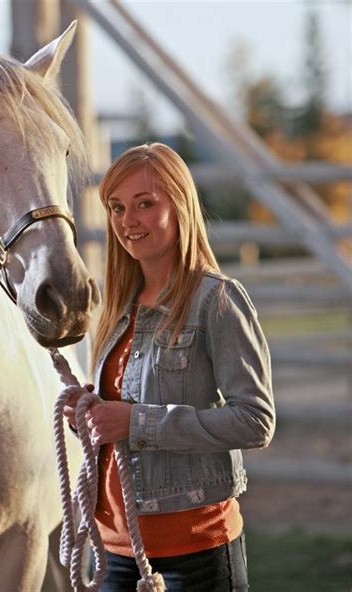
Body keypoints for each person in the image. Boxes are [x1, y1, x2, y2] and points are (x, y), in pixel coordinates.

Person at [63, 142, 275, 591]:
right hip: (114, 554)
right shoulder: (119, 306)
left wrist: (136, 422)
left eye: (145, 204)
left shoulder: (216, 300)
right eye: (117, 207)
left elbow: (255, 421)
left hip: (193, 555)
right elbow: (123, 422)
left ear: (178, 206)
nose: (127, 221)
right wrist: (92, 416)